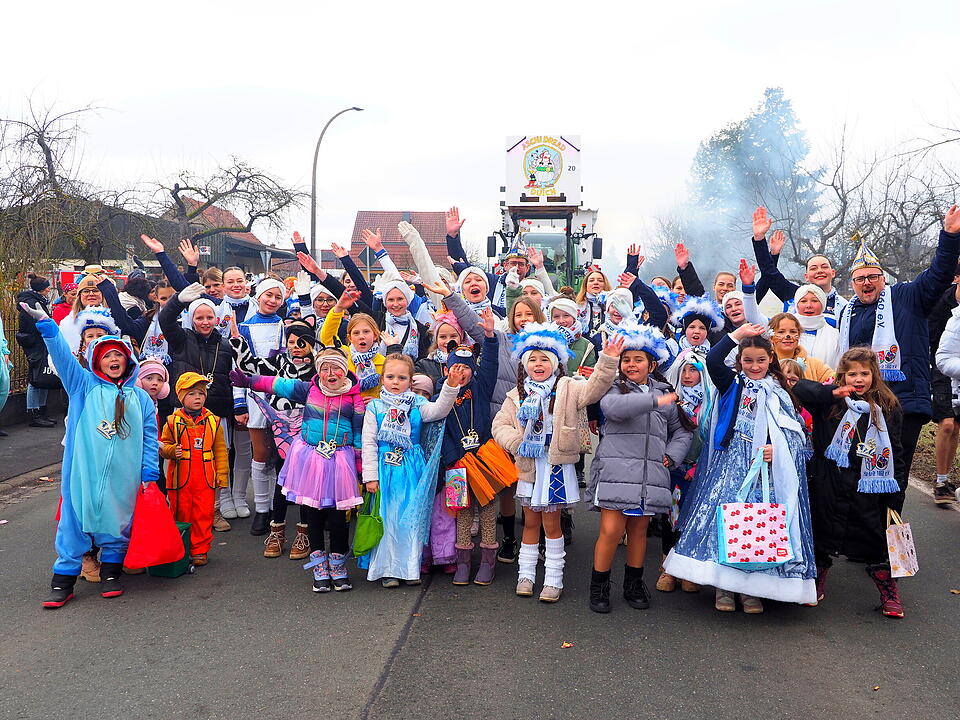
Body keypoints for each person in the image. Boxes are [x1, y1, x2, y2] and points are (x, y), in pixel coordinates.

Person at [664, 323, 817, 612]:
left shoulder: (780, 392)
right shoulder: (732, 384)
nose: (754, 366)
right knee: (729, 519)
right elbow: (712, 361)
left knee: (760, 523)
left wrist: (778, 449)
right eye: (748, 360)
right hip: (731, 462)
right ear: (740, 360)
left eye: (761, 360)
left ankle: (752, 588)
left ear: (770, 359)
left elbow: (796, 433)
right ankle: (724, 587)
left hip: (765, 469)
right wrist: (737, 335)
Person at [21, 303, 159, 608]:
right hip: (82, 474)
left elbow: (150, 437)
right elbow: (62, 358)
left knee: (118, 523)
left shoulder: (140, 398)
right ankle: (63, 581)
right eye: (107, 356)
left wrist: (149, 472)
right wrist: (46, 325)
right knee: (72, 524)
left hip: (124, 477)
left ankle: (111, 573)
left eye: (118, 355)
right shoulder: (82, 386)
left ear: (128, 360)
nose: (113, 360)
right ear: (96, 360)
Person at [492, 322, 623, 603]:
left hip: (555, 466)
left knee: (551, 525)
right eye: (533, 360)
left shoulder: (568, 387)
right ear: (524, 365)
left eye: (544, 359)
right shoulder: (515, 395)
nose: (538, 365)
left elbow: (595, 389)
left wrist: (608, 360)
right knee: (530, 523)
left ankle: (553, 580)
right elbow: (499, 425)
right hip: (530, 465)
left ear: (555, 363)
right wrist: (517, 443)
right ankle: (525, 576)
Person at [838, 205, 960, 499]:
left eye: (872, 277)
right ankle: (867, 525)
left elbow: (938, 275)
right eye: (860, 279)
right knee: (859, 470)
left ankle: (890, 525)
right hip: (861, 402)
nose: (867, 283)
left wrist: (949, 236)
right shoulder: (847, 313)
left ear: (883, 279)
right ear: (853, 284)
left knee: (894, 473)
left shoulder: (907, 297)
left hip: (904, 401)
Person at [232, 348, 365, 592]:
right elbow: (278, 384)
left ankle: (338, 565)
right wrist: (250, 381)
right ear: (318, 371)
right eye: (325, 368)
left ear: (345, 370)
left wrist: (359, 467)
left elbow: (358, 435)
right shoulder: (309, 389)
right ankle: (319, 566)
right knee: (313, 514)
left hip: (340, 461)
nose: (330, 373)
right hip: (312, 459)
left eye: (336, 368)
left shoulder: (354, 398)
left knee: (338, 518)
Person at [586, 321, 692, 613]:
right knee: (611, 530)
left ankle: (633, 584)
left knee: (638, 531)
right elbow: (615, 410)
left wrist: (672, 455)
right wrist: (655, 399)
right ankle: (599, 586)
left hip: (649, 477)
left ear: (652, 364)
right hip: (616, 472)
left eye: (638, 359)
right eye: (626, 360)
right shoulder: (613, 388)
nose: (631, 365)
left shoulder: (664, 393)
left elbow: (683, 430)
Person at [792, 348, 906, 617]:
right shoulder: (831, 402)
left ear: (874, 374)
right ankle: (817, 578)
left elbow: (896, 451)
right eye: (852, 374)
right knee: (822, 531)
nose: (858, 379)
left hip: (868, 483)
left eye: (864, 373)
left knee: (872, 536)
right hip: (828, 478)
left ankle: (888, 590)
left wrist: (896, 494)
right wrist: (830, 392)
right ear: (842, 375)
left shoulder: (887, 407)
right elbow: (800, 388)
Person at [361, 353, 463, 587]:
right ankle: (387, 570)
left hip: (412, 468)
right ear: (382, 379)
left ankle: (409, 568)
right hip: (385, 468)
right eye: (390, 377)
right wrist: (370, 476)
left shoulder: (417, 403)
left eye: (402, 378)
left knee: (411, 517)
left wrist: (450, 386)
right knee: (388, 517)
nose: (395, 382)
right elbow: (368, 442)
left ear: (410, 380)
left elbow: (439, 411)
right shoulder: (375, 406)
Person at [441, 310, 518, 586]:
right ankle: (463, 562)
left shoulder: (481, 387)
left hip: (485, 457)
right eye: (455, 367)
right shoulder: (442, 395)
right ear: (446, 370)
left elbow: (491, 365)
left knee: (487, 509)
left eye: (465, 368)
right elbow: (442, 432)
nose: (460, 372)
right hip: (457, 463)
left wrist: (490, 337)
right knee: (462, 513)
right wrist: (453, 458)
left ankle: (488, 561)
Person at [159, 373, 229, 567]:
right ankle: (180, 549)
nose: (197, 397)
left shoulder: (214, 421)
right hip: (179, 481)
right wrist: (172, 451)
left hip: (205, 480)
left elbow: (220, 451)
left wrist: (222, 475)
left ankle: (199, 550)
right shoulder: (172, 421)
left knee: (203, 516)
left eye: (201, 393)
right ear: (181, 397)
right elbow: (163, 446)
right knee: (180, 514)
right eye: (191, 394)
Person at [750, 209, 848, 324]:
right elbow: (769, 273)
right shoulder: (794, 294)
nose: (819, 271)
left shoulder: (844, 306)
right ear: (806, 276)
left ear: (833, 273)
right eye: (813, 268)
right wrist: (760, 240)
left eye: (824, 267)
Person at [928, 268, 960, 505]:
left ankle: (946, 478)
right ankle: (940, 482)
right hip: (940, 365)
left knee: (956, 426)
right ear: (956, 278)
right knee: (947, 423)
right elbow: (929, 335)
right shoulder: (942, 301)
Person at [320, 290, 386, 401]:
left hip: (371, 409)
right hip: (346, 407)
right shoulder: (343, 354)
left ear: (375, 335)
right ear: (350, 338)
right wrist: (339, 308)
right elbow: (327, 337)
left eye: (366, 332)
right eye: (356, 333)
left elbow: (391, 391)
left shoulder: (384, 362)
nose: (361, 336)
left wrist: (378, 401)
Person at [16, 273, 57, 428]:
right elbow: (34, 325)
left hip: (38, 343)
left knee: (42, 375)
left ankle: (40, 410)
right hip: (36, 344)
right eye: (47, 288)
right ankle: (35, 412)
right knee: (36, 377)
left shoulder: (35, 301)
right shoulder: (32, 303)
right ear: (41, 289)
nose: (49, 290)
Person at [768, 312, 835, 383]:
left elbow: (837, 381)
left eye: (793, 332)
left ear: (799, 335)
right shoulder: (764, 364)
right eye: (781, 332)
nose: (788, 336)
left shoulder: (815, 365)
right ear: (771, 337)